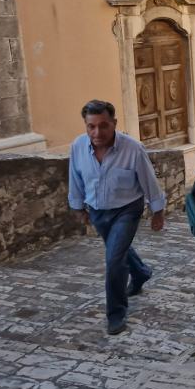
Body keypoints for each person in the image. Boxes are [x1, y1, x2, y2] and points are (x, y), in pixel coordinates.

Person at [68, 100, 166, 335]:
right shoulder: (78, 146)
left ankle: (116, 314)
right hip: (97, 210)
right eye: (91, 126)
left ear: (114, 124)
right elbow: (75, 178)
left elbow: (149, 181)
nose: (97, 132)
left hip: (127, 209)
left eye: (103, 126)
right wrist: (78, 206)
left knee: (113, 260)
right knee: (118, 251)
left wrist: (157, 211)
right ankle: (141, 272)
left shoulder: (132, 148)